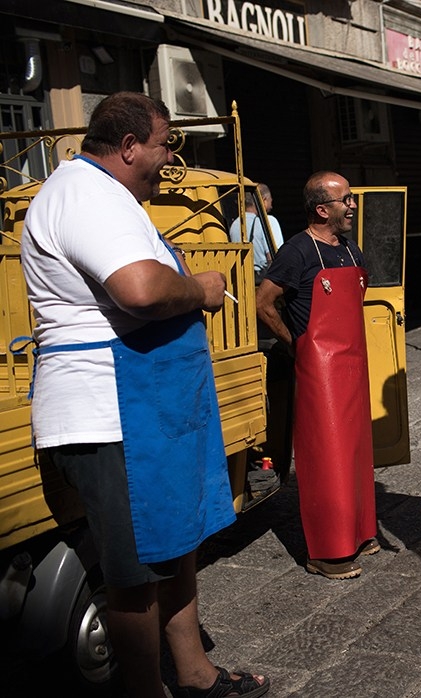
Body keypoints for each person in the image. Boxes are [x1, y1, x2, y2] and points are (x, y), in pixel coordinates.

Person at [20, 92, 268, 698]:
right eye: (164, 146)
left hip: (145, 408)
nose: (168, 161)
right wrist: (200, 287)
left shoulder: (111, 197)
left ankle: (195, 675)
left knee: (174, 545)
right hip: (111, 412)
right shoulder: (84, 194)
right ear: (129, 147)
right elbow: (139, 289)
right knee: (135, 570)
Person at [255, 171, 379, 580]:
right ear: (321, 208)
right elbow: (263, 301)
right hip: (320, 370)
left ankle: (358, 532)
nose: (353, 206)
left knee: (356, 451)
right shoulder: (297, 252)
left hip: (352, 364)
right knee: (327, 457)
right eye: (346, 199)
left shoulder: (349, 249)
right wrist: (296, 342)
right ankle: (326, 551)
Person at [229, 183, 279, 282]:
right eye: (270, 200)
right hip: (263, 281)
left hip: (243, 281)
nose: (272, 204)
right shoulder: (268, 221)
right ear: (263, 200)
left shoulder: (235, 224)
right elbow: (276, 257)